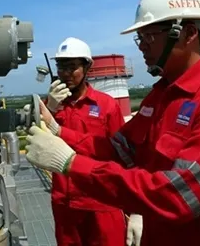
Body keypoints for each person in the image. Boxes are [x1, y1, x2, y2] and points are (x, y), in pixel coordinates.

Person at [26, 0, 200, 246]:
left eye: (149, 36)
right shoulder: (160, 97)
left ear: (188, 33)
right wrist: (57, 131)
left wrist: (71, 163)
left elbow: (179, 195)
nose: (141, 47)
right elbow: (119, 150)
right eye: (140, 38)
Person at [39, 37, 139, 246]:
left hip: (102, 204)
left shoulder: (107, 106)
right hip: (65, 206)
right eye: (61, 67)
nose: (65, 73)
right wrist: (50, 109)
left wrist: (135, 210)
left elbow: (119, 153)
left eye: (72, 67)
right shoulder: (51, 105)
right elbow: (38, 142)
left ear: (87, 67)